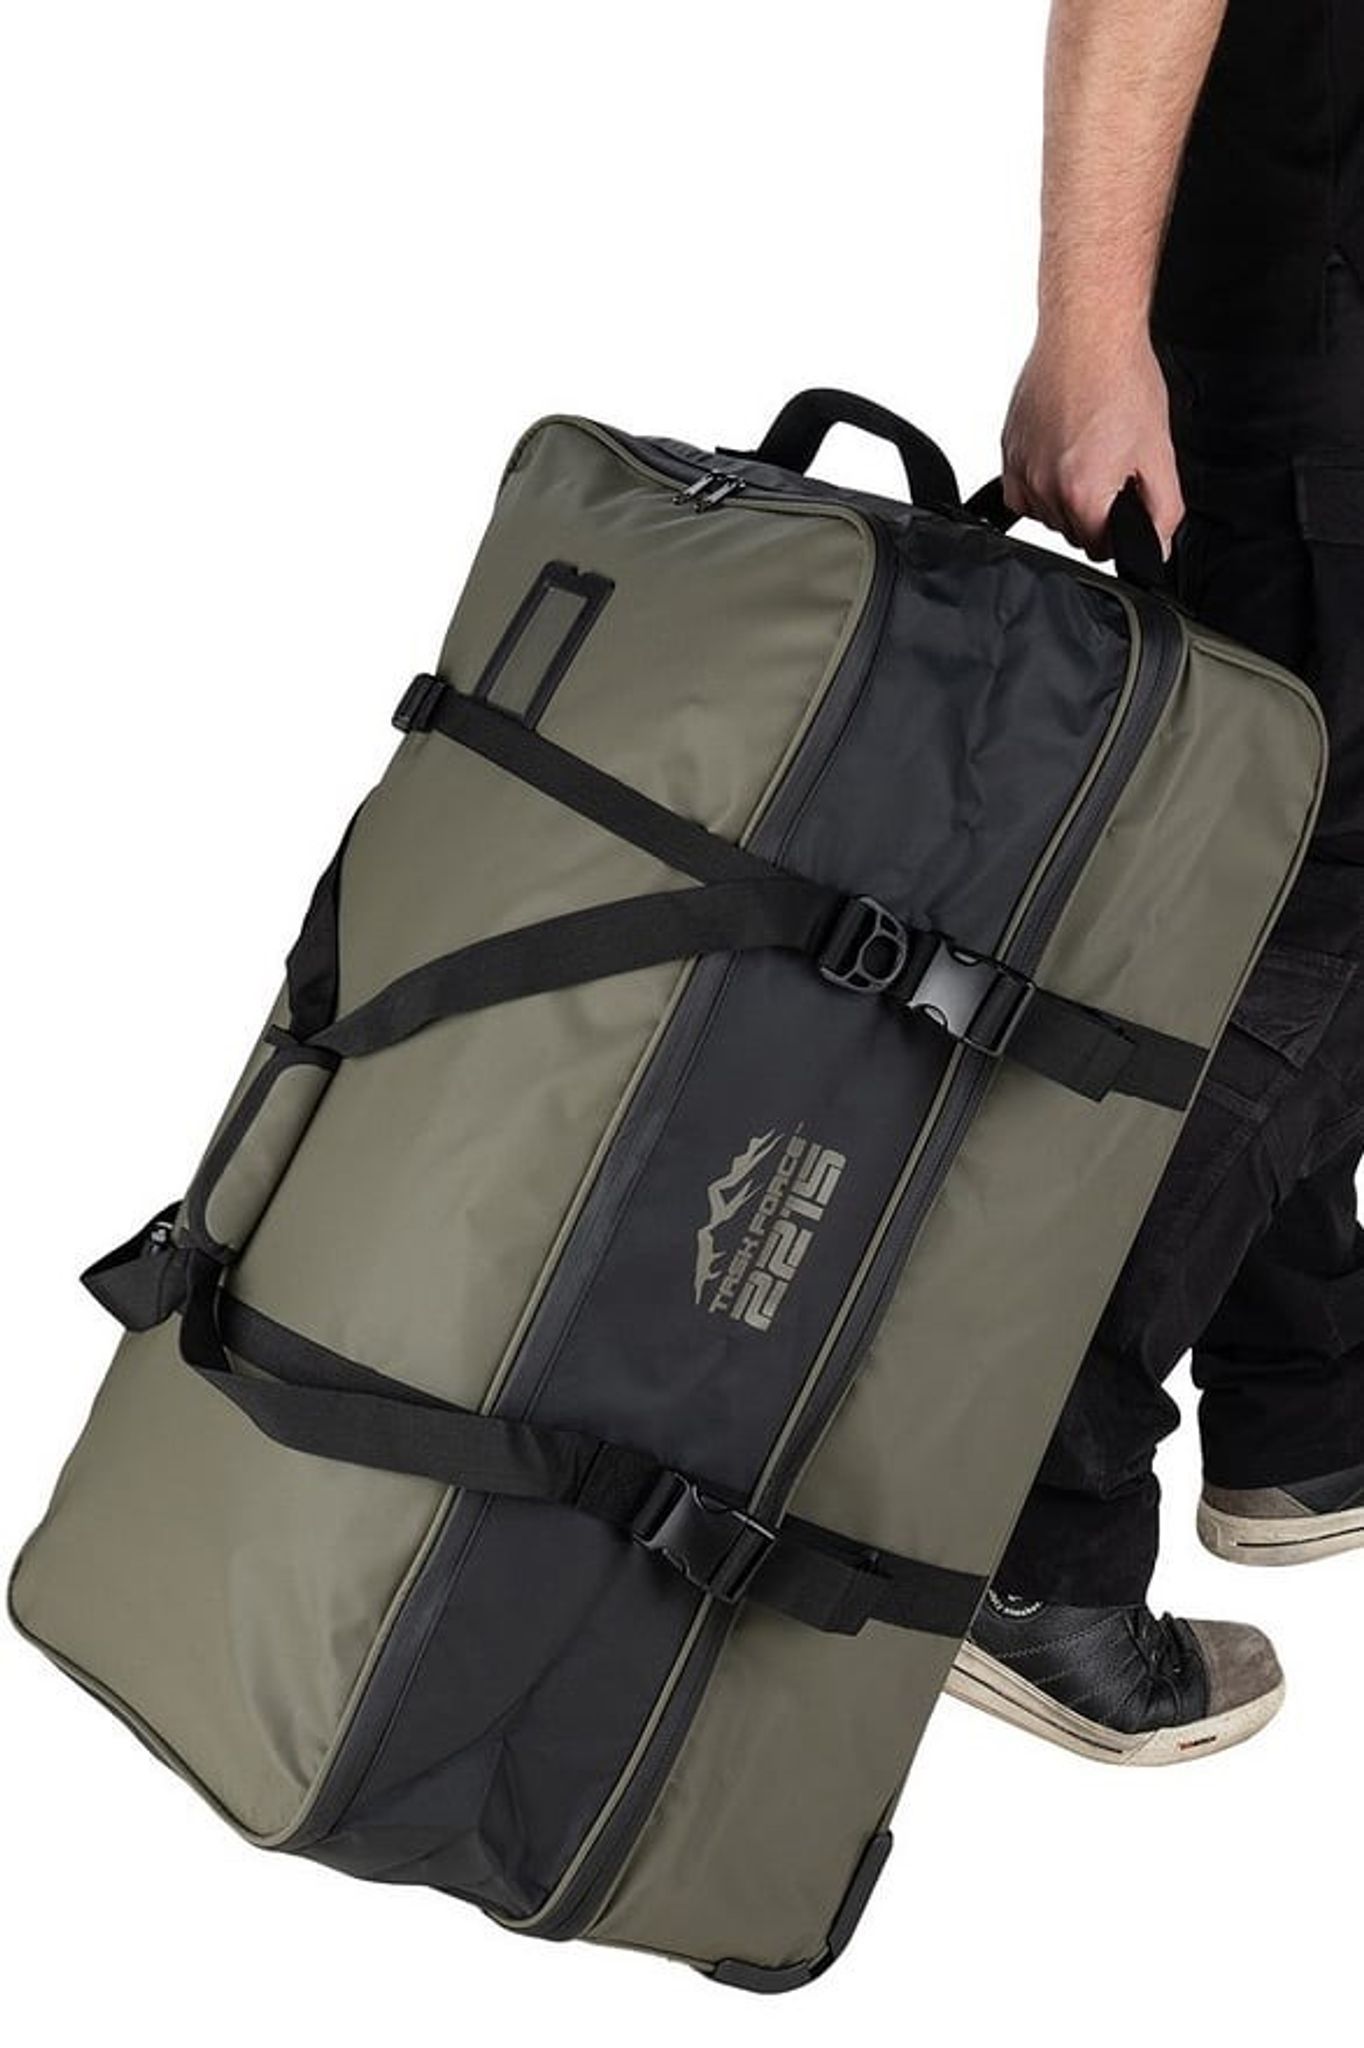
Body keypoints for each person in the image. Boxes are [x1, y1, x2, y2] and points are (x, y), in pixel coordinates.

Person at [950, 0, 1364, 1764]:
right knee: (1325, 926)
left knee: (1285, 905)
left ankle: (1302, 1408)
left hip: (1307, 325)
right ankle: (1020, 1528)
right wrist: (1090, 326)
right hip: (1316, 344)